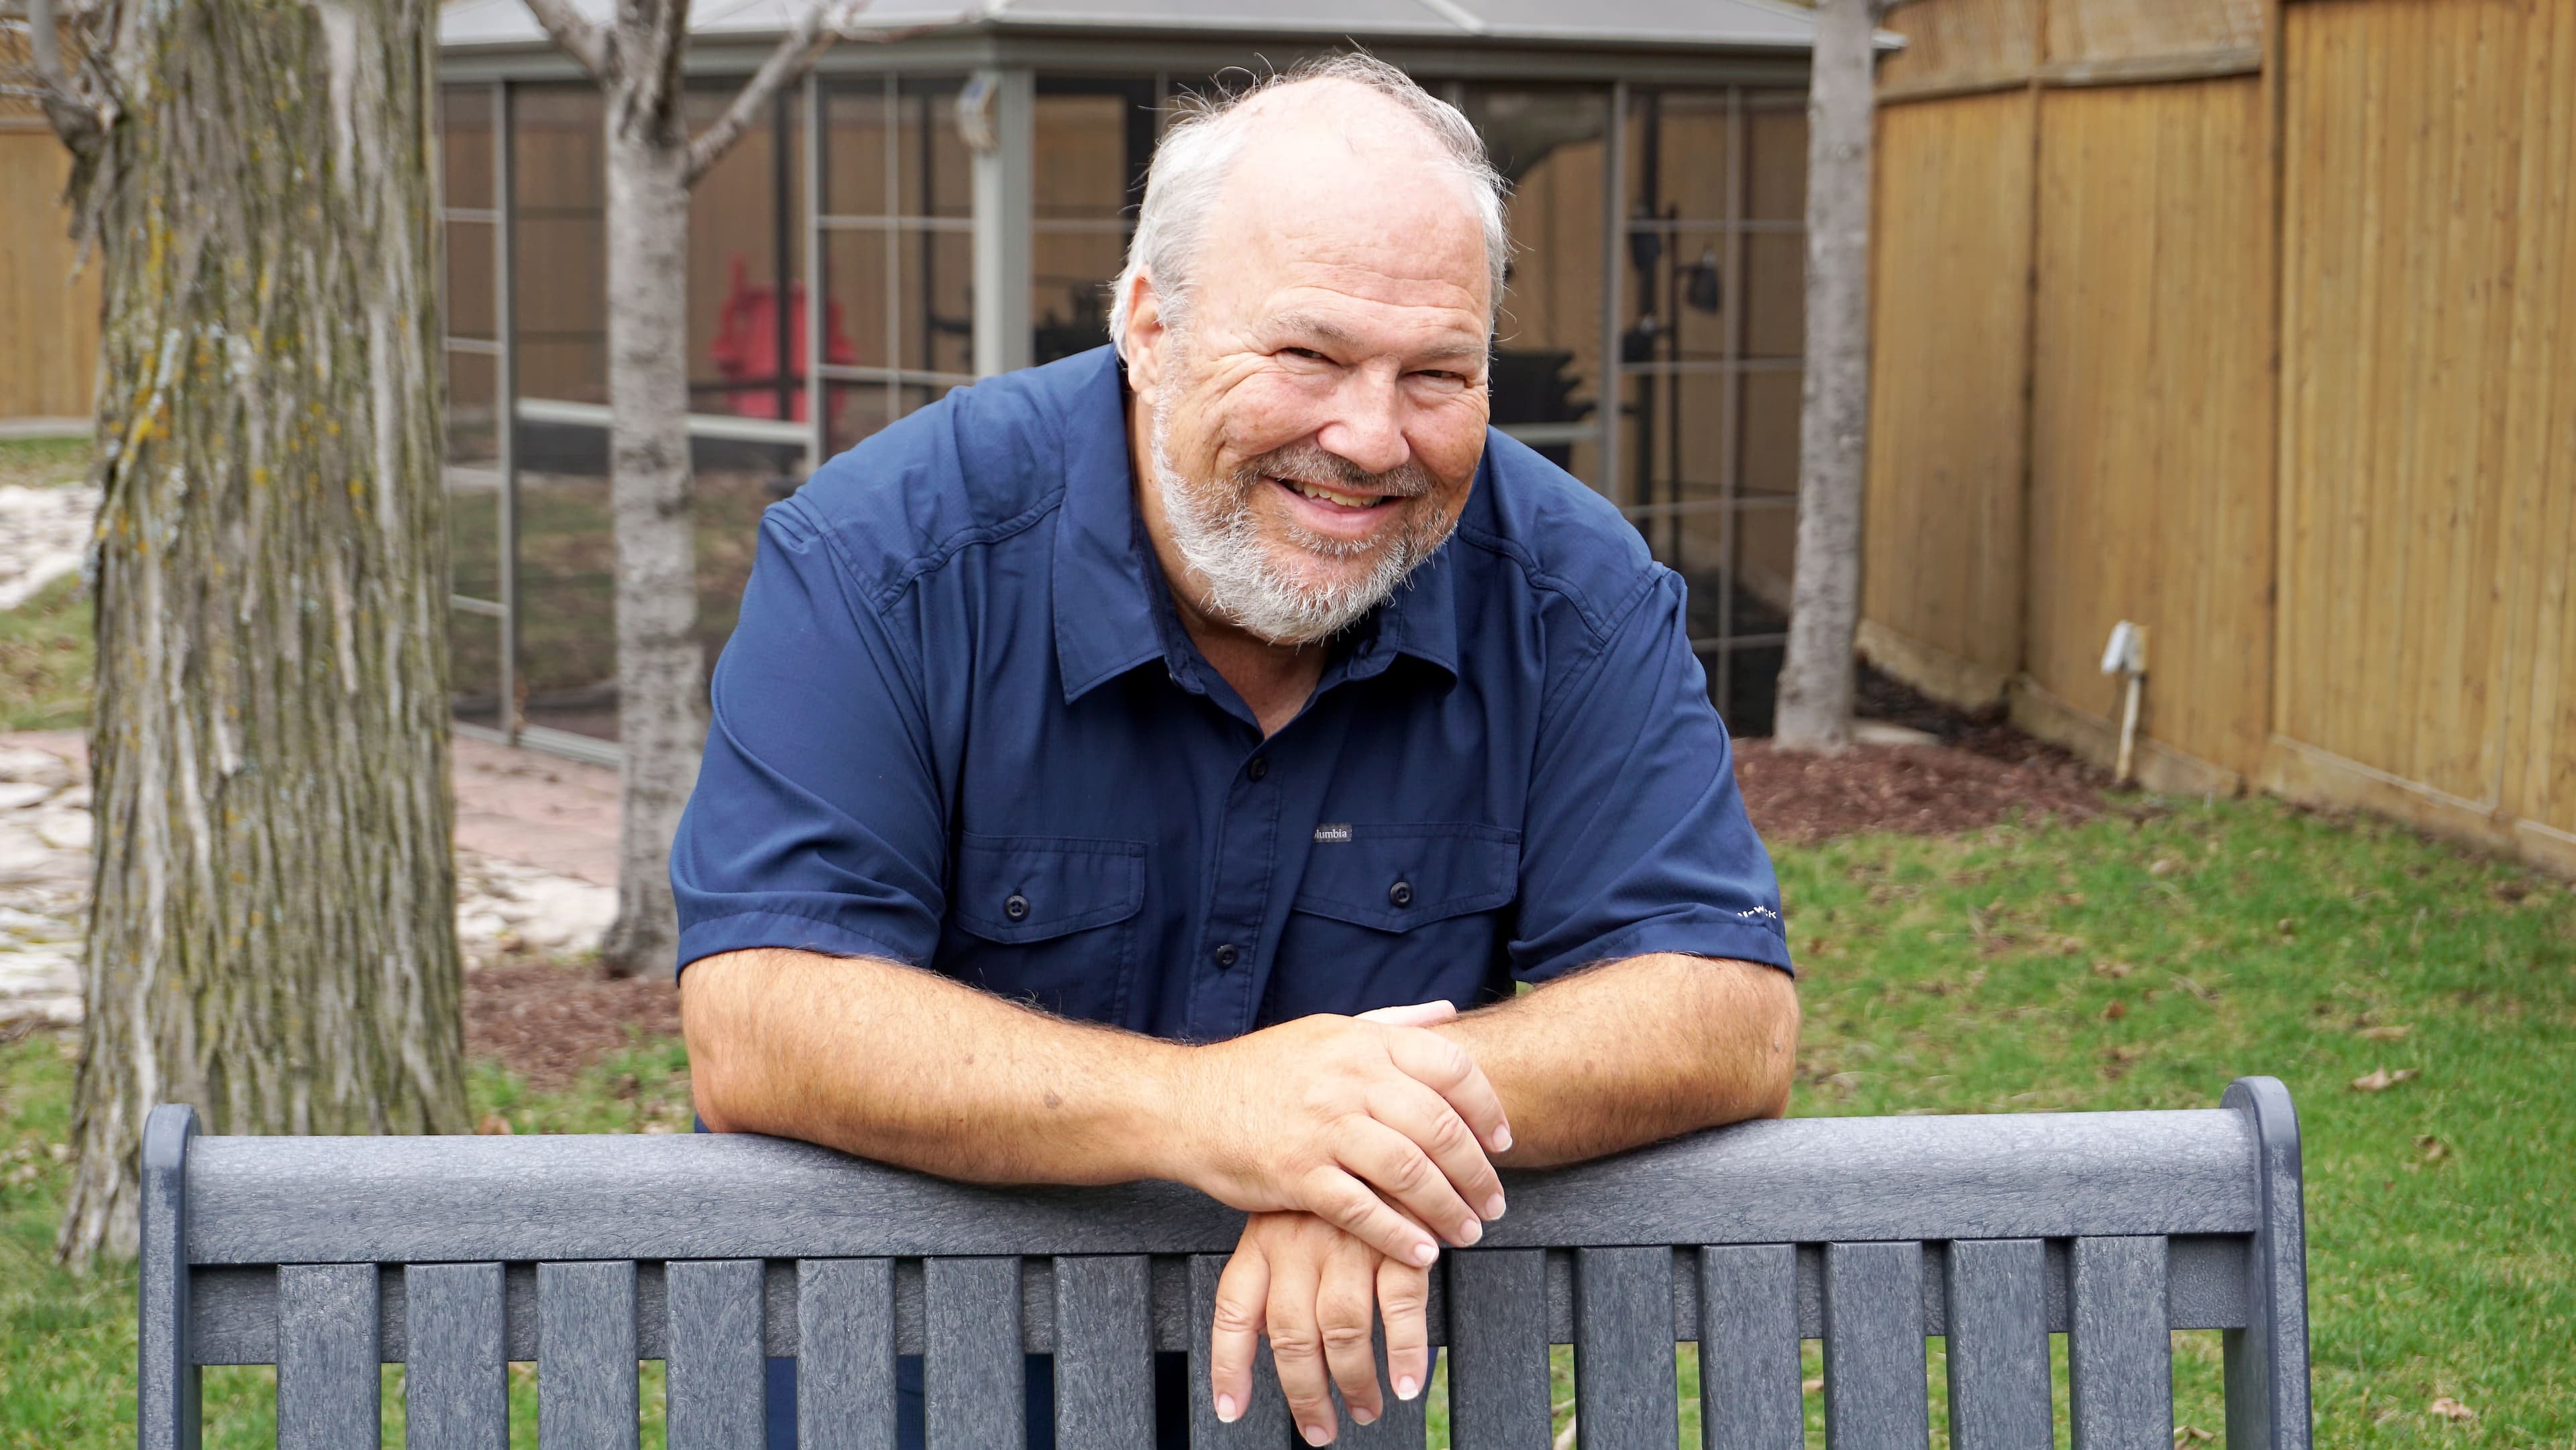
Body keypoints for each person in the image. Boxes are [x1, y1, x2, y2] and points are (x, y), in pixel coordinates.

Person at [672, 52, 1800, 1449]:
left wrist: (1351, 1138)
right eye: (1309, 356)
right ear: (1150, 326)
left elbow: (1722, 1004)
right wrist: (1217, 1111)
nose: (1371, 438)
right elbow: (762, 1014)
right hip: (913, 1389)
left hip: (1308, 1407)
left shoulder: (1571, 591)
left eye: (1437, 374)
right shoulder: (882, 558)